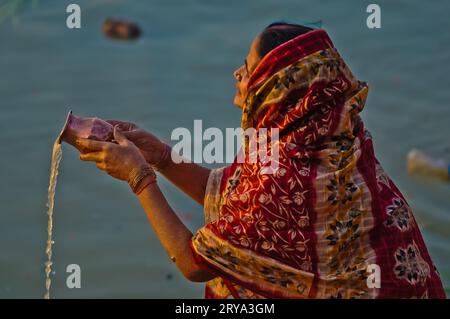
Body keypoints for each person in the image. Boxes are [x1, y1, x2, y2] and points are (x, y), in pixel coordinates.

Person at [76, 22, 446, 298]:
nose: (237, 76)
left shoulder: (287, 173)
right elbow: (231, 200)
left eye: (249, 70)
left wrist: (138, 176)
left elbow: (193, 263)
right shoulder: (334, 139)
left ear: (275, 88)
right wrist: (162, 157)